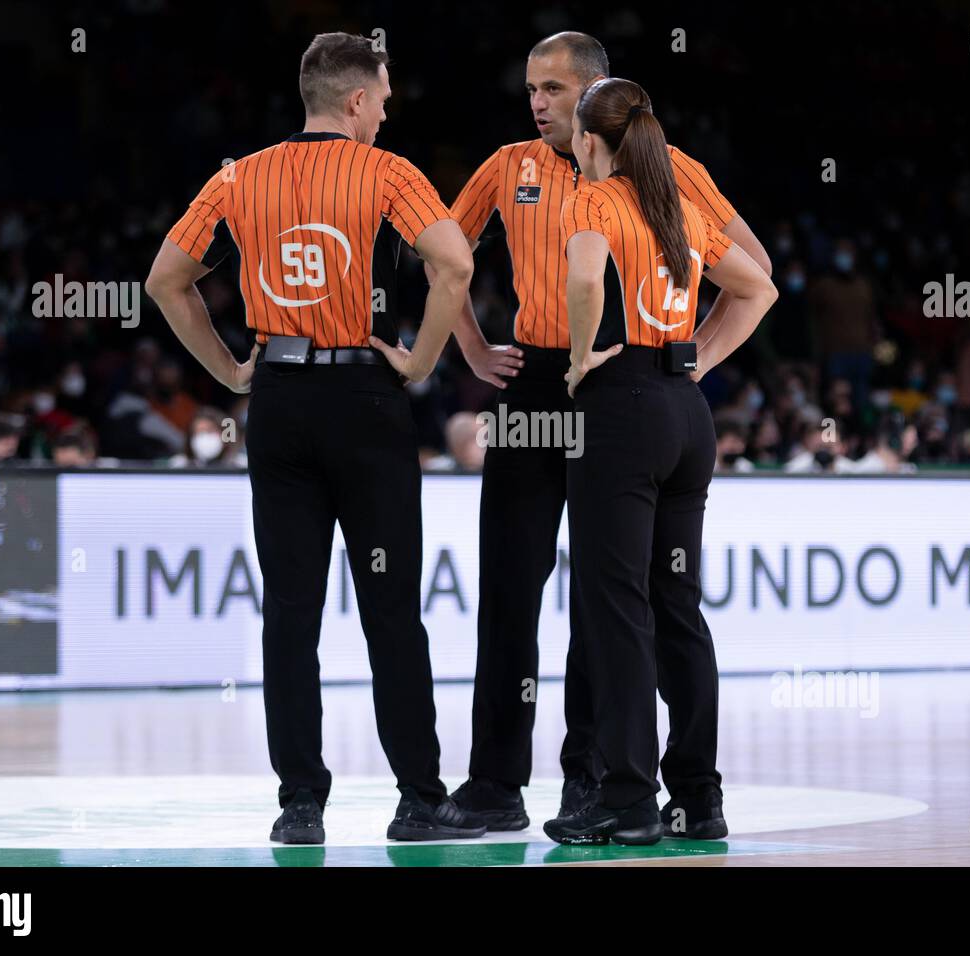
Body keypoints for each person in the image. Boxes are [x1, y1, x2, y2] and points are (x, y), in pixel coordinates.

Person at [145, 32, 484, 844]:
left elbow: (164, 281)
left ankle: (300, 805)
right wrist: (423, 362)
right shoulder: (388, 172)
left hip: (281, 406)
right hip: (366, 398)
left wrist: (232, 372)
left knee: (288, 613)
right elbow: (455, 265)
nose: (388, 111)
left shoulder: (238, 175)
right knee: (391, 609)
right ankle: (417, 799)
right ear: (358, 99)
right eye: (385, 99)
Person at [444, 31, 773, 831]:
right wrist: (474, 346)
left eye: (554, 90)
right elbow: (444, 257)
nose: (537, 103)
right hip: (534, 387)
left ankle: (591, 777)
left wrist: (689, 355)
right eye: (530, 88)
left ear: (594, 93)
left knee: (606, 600)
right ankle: (494, 783)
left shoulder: (663, 169)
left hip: (612, 388)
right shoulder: (505, 166)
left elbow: (754, 267)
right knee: (511, 589)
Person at [544, 78, 777, 844]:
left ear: (588, 138)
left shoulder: (593, 197)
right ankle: (698, 799)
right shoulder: (676, 203)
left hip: (622, 410)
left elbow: (582, 277)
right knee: (679, 608)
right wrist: (699, 361)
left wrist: (579, 359)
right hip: (685, 414)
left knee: (616, 610)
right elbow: (758, 286)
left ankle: (628, 799)